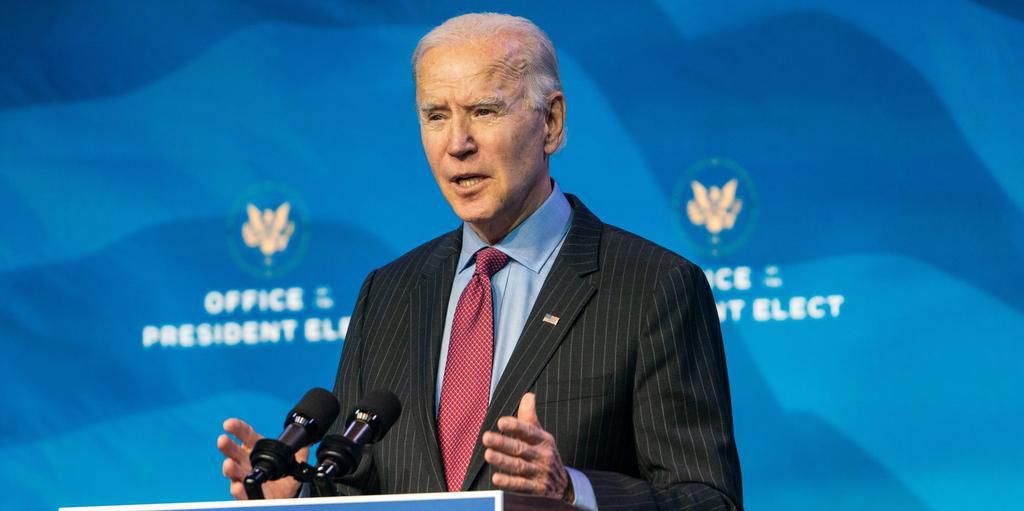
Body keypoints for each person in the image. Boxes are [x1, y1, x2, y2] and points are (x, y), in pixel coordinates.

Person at [218, 12, 742, 510]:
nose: (458, 144)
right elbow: (359, 490)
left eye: (484, 111)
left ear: (551, 122)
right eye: (436, 116)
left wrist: (571, 490)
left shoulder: (653, 287)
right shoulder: (387, 293)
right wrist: (300, 498)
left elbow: (708, 499)